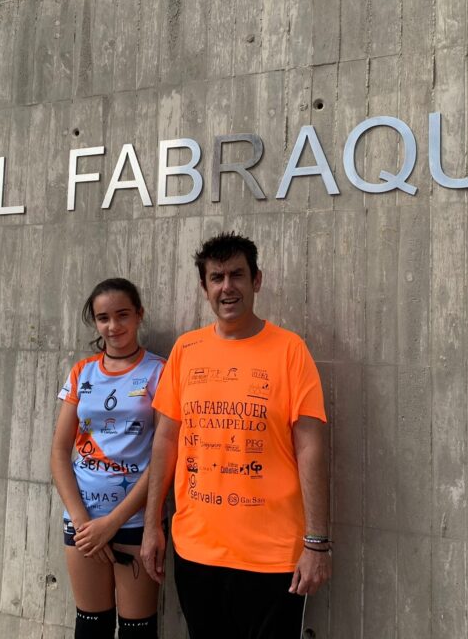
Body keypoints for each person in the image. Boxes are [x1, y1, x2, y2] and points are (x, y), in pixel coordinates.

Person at [141, 233, 331, 639]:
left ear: (256, 280)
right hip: (195, 550)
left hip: (274, 557)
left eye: (237, 275)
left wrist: (316, 543)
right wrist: (152, 524)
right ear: (205, 288)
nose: (227, 286)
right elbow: (166, 441)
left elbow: (312, 447)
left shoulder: (290, 350)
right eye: (217, 277)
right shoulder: (186, 350)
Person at [51, 278, 164, 639]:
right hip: (83, 525)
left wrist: (112, 523)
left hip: (133, 522)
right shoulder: (82, 372)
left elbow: (164, 458)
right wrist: (85, 522)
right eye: (103, 318)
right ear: (95, 323)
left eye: (122, 315)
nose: (113, 326)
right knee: (91, 626)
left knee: (137, 630)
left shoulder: (160, 371)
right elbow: (58, 452)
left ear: (139, 315)